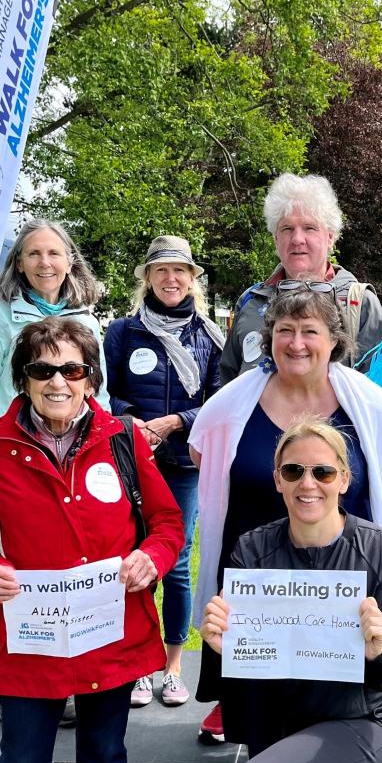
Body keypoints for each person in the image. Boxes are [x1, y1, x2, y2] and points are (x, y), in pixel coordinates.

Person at [0, 317, 184, 763]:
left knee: (104, 760)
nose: (57, 381)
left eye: (72, 370)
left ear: (90, 379)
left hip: (111, 631)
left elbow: (166, 522)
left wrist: (151, 558)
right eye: (42, 371)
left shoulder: (122, 438)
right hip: (33, 640)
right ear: (23, 379)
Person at [189, 285, 382, 742]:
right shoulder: (231, 405)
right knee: (265, 717)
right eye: (285, 331)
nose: (296, 343)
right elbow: (205, 460)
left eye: (309, 331)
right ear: (269, 338)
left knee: (335, 711)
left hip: (339, 574)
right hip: (257, 578)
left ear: (334, 341)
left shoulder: (369, 405)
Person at [199, 417, 382, 763]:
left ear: (345, 480)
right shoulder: (251, 550)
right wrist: (225, 649)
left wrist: (376, 654)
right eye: (292, 471)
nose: (308, 484)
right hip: (285, 718)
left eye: (323, 472)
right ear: (277, 480)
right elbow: (252, 667)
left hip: (371, 716)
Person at [104, 235, 224, 709]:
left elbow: (218, 399)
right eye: (161, 271)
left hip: (184, 463)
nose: (171, 279)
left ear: (192, 278)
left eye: (180, 271)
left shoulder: (211, 336)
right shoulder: (122, 332)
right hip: (129, 460)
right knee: (132, 560)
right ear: (147, 278)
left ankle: (172, 666)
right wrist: (132, 421)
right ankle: (139, 667)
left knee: (174, 563)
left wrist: (176, 423)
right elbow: (102, 391)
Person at [0, 219, 110, 462]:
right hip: (12, 452)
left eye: (54, 253)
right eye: (34, 253)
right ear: (19, 263)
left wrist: (101, 453)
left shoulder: (87, 323)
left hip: (71, 456)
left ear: (69, 262)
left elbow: (98, 395)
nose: (45, 263)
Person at [219, 173, 382, 383]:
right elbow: (227, 384)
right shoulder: (251, 300)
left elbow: (377, 394)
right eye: (287, 229)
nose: (297, 239)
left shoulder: (359, 304)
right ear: (275, 238)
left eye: (309, 228)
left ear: (330, 236)